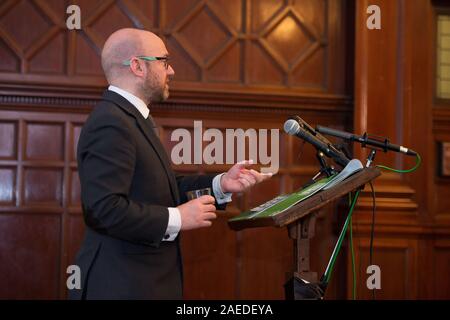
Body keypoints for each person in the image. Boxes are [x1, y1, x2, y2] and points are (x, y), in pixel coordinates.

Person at [69, 28, 272, 299]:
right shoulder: (111, 121)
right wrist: (178, 217)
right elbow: (104, 209)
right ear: (137, 66)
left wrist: (221, 184)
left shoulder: (132, 118)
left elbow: (160, 189)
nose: (172, 70)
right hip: (120, 286)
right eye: (164, 61)